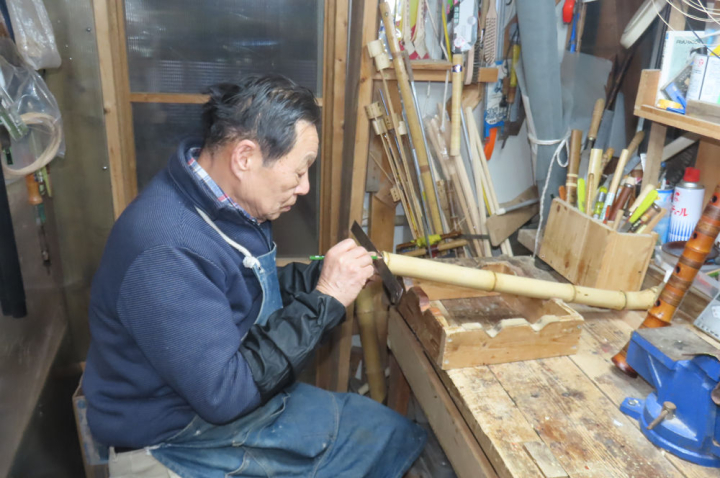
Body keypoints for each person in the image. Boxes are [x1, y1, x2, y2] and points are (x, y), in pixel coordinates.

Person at [83, 75, 426, 478]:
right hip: (177, 434)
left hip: (215, 399)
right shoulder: (165, 251)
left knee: (385, 432)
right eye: (299, 171)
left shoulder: (221, 201)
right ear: (244, 157)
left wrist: (321, 277)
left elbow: (241, 290)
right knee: (372, 444)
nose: (304, 187)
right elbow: (225, 395)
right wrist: (327, 298)